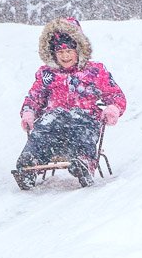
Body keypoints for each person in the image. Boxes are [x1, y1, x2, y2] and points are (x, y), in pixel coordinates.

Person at [14, 17, 127, 189]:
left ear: (79, 49)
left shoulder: (94, 71)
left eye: (69, 51)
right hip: (54, 123)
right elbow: (34, 97)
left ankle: (84, 162)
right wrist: (29, 112)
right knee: (42, 129)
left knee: (84, 132)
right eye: (60, 52)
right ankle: (30, 162)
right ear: (52, 53)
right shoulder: (47, 74)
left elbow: (115, 94)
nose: (65, 56)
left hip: (84, 119)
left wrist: (112, 108)